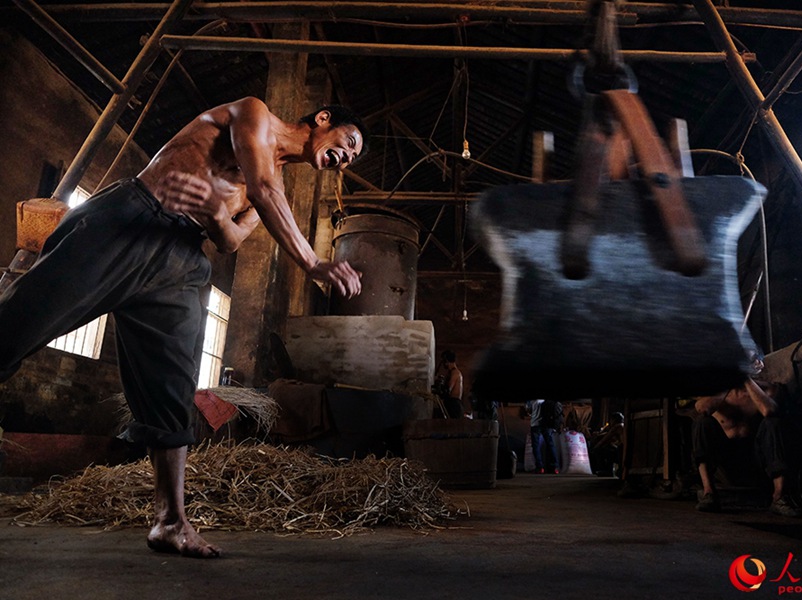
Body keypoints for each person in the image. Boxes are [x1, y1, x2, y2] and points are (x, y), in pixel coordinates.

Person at [0, 96, 368, 558]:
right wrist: (313, 262)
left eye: (351, 159)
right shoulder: (255, 115)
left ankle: (171, 522)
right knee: (18, 324)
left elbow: (231, 240)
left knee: (173, 390)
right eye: (347, 143)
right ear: (323, 120)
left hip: (180, 260)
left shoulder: (277, 194)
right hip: (132, 219)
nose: (345, 157)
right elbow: (261, 189)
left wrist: (215, 215)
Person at [692, 354, 801, 517]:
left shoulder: (769, 388)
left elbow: (768, 410)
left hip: (757, 461)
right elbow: (702, 408)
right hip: (725, 463)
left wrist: (746, 380)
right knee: (702, 422)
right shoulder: (719, 391)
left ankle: (779, 496)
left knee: (773, 422)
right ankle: (709, 493)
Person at [526, 399, 562, 474]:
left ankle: (540, 467)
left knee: (535, 446)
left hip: (535, 425)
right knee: (550, 445)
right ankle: (555, 467)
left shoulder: (532, 401)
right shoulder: (546, 400)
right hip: (547, 425)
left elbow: (528, 411)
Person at [590, 411, 625, 476]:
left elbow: (605, 439)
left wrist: (594, 448)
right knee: (610, 447)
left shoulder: (617, 426)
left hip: (622, 452)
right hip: (624, 451)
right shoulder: (623, 426)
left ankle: (605, 470)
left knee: (600, 450)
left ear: (613, 420)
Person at [435, 350, 465, 418]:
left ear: (446, 361)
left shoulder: (455, 373)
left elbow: (447, 390)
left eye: (443, 361)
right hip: (451, 403)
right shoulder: (450, 373)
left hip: (454, 405)